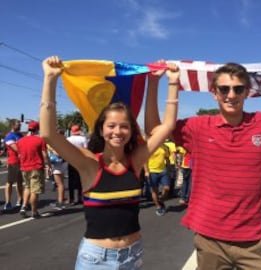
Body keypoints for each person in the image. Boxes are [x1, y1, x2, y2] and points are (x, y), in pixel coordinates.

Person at [145, 58, 261, 269]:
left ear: (247, 92)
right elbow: (154, 130)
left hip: (254, 242)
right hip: (210, 240)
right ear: (214, 93)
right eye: (224, 89)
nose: (231, 95)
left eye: (238, 89)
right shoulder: (198, 127)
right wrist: (153, 85)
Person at [39, 56, 179, 269]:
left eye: (124, 126)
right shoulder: (89, 163)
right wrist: (50, 80)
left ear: (131, 131)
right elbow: (48, 133)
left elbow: (167, 126)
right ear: (101, 130)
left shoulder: (136, 161)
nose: (118, 132)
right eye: (111, 126)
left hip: (133, 255)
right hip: (97, 259)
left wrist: (164, 82)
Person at [17, 121, 52, 218]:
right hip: (36, 167)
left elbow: (19, 155)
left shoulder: (20, 141)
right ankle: (34, 211)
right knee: (35, 191)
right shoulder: (40, 140)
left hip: (24, 167)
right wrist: (48, 166)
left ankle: (23, 206)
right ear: (37, 129)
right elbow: (45, 155)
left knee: (27, 187)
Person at [144, 143, 171, 216]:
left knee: (167, 188)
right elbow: (145, 160)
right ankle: (158, 207)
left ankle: (161, 200)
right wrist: (146, 171)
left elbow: (167, 159)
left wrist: (169, 169)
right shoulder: (150, 146)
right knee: (154, 191)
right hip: (152, 172)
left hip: (163, 171)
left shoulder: (165, 147)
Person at [3, 119, 23, 210]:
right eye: (18, 124)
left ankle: (20, 199)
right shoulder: (9, 136)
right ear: (12, 125)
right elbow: (17, 149)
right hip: (13, 162)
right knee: (10, 182)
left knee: (20, 182)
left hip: (21, 161)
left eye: (20, 124)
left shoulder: (20, 135)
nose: (20, 126)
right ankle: (8, 202)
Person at [66, 124, 88, 204]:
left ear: (72, 131)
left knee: (71, 180)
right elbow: (86, 150)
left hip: (71, 160)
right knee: (80, 179)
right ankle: (79, 197)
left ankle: (71, 198)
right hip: (81, 160)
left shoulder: (68, 139)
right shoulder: (83, 139)